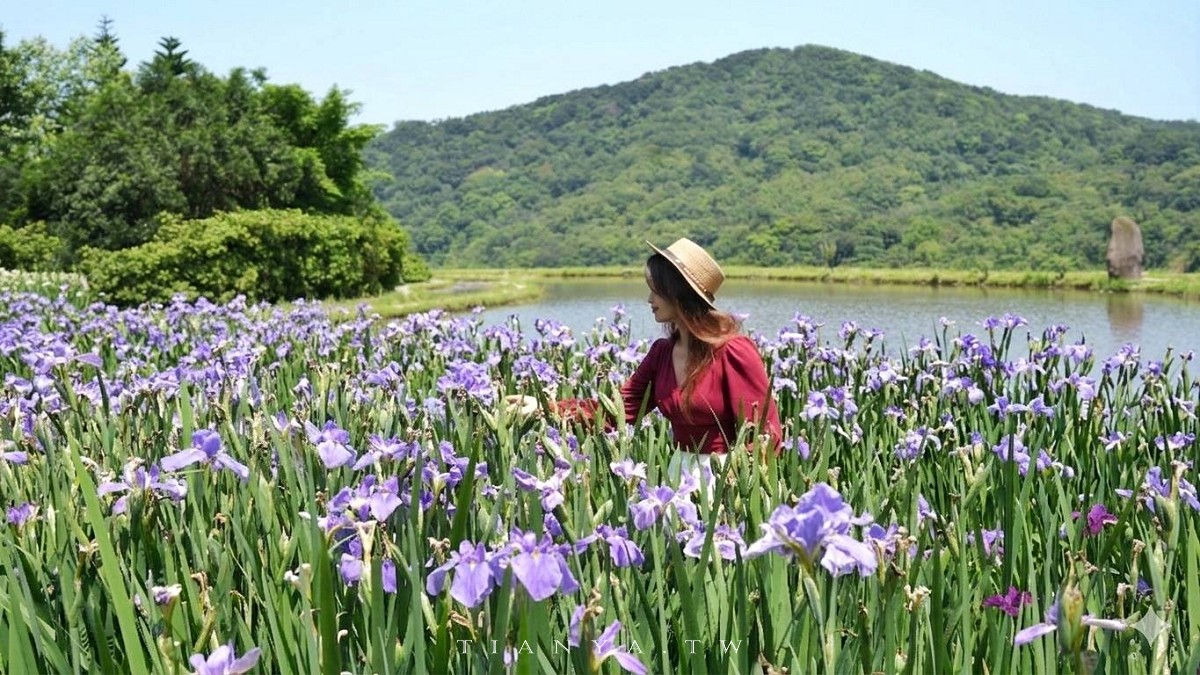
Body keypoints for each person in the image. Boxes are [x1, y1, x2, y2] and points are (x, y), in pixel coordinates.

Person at [553, 238, 782, 484]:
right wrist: (549, 408)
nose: (649, 300)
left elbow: (764, 435)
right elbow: (618, 410)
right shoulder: (661, 353)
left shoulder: (733, 352)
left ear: (677, 292)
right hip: (679, 474)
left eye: (656, 291)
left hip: (725, 475)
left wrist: (739, 488)